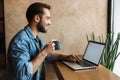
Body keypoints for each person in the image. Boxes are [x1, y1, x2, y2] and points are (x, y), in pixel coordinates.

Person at [5, 2, 80, 80]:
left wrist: (65, 57)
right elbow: (23, 75)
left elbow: (46, 57)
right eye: (47, 18)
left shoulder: (37, 38)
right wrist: (44, 52)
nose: (50, 23)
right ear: (37, 18)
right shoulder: (20, 41)